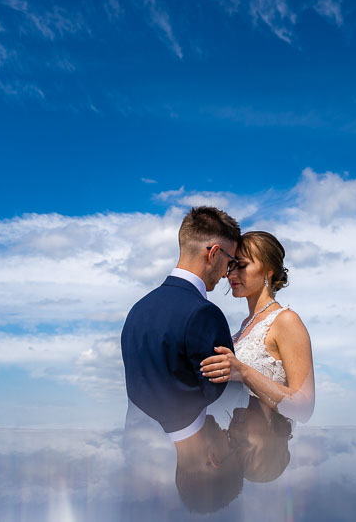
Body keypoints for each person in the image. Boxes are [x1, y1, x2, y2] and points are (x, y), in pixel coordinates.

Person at [120, 205, 245, 513]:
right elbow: (222, 392)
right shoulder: (204, 314)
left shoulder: (137, 310)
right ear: (214, 253)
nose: (228, 274)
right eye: (230, 263)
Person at [200, 231, 315, 423]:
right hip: (235, 445)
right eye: (230, 266)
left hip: (269, 448)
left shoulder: (286, 321)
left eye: (242, 265)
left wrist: (244, 372)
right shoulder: (243, 327)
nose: (231, 275)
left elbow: (304, 407)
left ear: (268, 270)